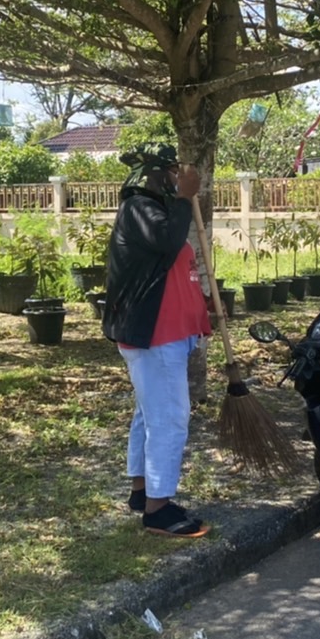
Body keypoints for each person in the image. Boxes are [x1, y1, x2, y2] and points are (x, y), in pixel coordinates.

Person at [102, 143, 212, 539]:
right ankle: (158, 511)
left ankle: (143, 490)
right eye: (171, 173)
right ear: (155, 175)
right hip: (155, 336)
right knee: (168, 418)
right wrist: (184, 198)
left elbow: (172, 265)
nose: (175, 179)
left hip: (167, 334)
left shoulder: (157, 211)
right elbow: (167, 242)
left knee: (150, 415)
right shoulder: (139, 209)